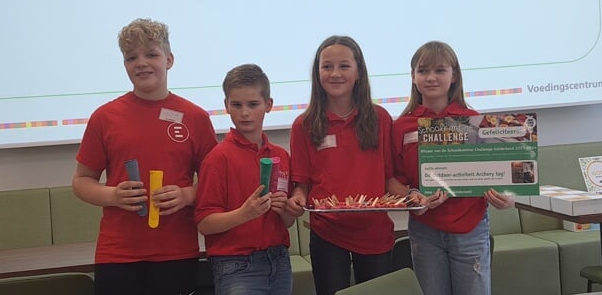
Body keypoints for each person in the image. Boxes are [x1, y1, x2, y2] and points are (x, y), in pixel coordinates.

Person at [72, 18, 217, 295]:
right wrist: (113, 196)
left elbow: (216, 183)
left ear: (169, 60)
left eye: (151, 54)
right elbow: (81, 181)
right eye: (131, 57)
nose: (141, 63)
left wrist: (186, 195)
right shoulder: (105, 117)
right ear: (125, 64)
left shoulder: (195, 118)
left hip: (176, 250)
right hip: (118, 253)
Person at [391, 41, 516, 295]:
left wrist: (507, 197)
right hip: (425, 230)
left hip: (470, 226)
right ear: (413, 77)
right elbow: (391, 180)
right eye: (423, 70)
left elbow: (501, 175)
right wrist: (412, 197)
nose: (431, 77)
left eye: (440, 70)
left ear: (454, 75)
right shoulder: (402, 126)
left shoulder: (476, 122)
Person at [285, 36, 405, 295]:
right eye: (327, 66)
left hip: (375, 234)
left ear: (359, 71)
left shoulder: (380, 119)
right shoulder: (303, 125)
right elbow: (301, 186)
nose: (335, 73)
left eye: (344, 66)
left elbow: (390, 180)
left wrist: (417, 196)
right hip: (327, 234)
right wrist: (296, 198)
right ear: (317, 73)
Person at [194, 64, 295, 295]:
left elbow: (287, 222)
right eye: (236, 105)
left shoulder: (281, 156)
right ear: (226, 106)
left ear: (268, 105)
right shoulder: (217, 159)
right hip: (236, 265)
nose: (244, 113)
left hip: (279, 259)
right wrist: (244, 214)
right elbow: (204, 223)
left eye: (253, 104)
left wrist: (285, 210)